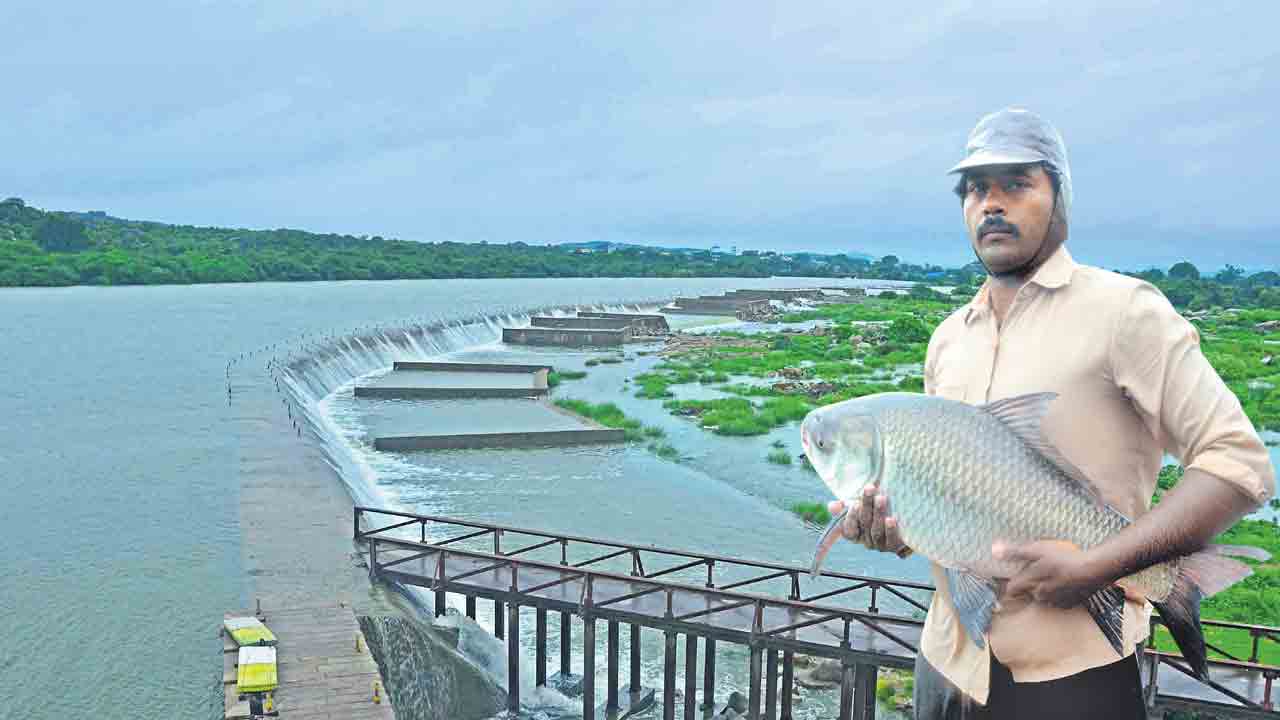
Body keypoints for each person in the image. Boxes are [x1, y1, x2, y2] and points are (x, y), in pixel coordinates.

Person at [826, 107, 1275, 719]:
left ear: (1059, 195)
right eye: (976, 188)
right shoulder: (947, 340)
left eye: (1016, 183)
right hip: (945, 661)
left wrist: (1097, 567)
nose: (991, 203)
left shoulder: (1126, 312)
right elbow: (951, 512)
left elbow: (1240, 464)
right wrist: (895, 530)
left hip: (1072, 680)